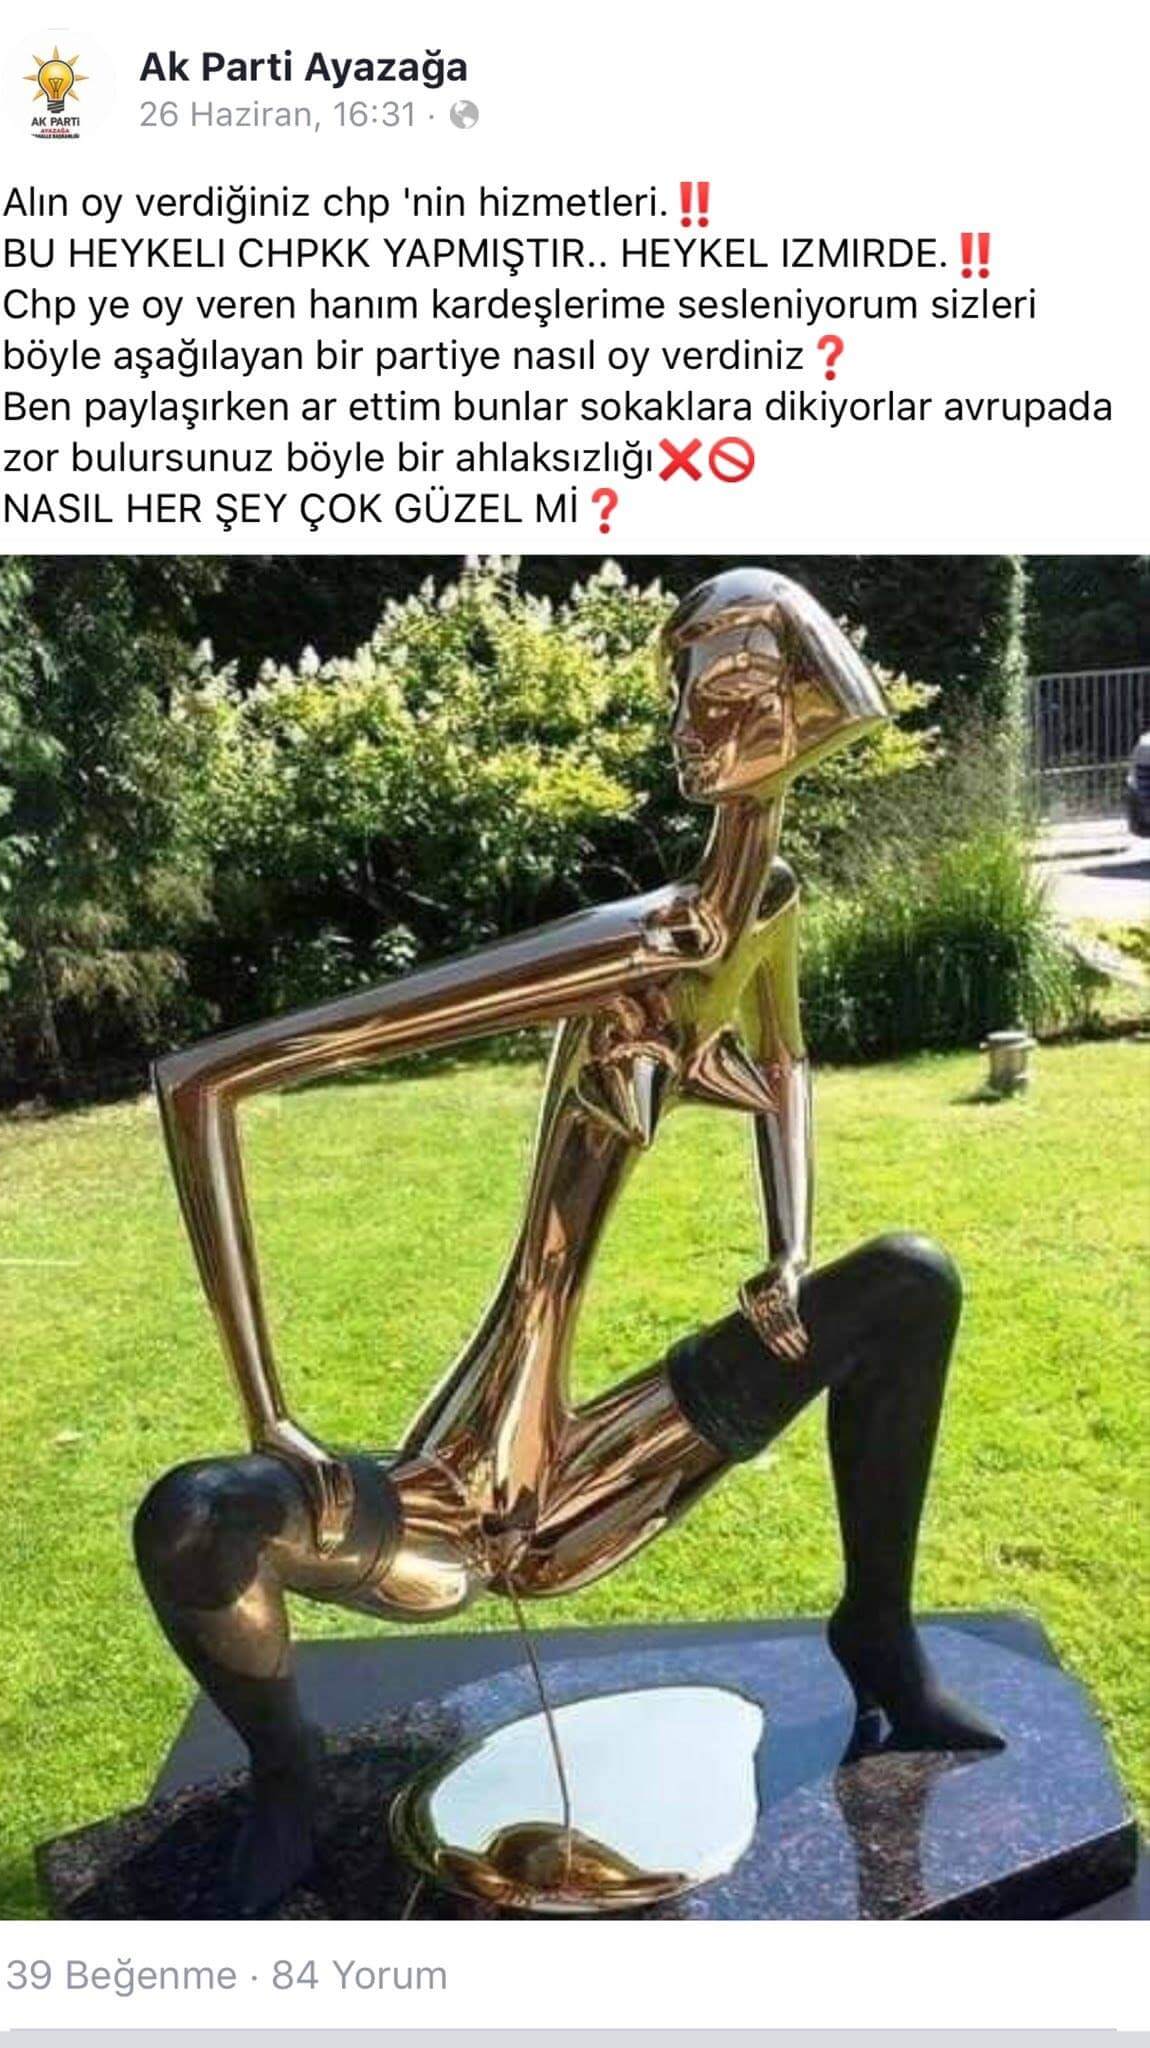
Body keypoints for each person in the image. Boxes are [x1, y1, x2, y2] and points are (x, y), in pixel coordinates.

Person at [135, 568, 1001, 1914]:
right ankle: (289, 1776)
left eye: (733, 694)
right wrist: (273, 1415)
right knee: (197, 1518)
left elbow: (781, 1063)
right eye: (686, 700)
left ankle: (876, 1634)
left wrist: (788, 1249)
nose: (693, 729)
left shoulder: (764, 904)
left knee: (907, 1282)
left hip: (596, 1470)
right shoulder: (627, 944)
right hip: (466, 1491)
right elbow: (203, 1081)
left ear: (803, 704)